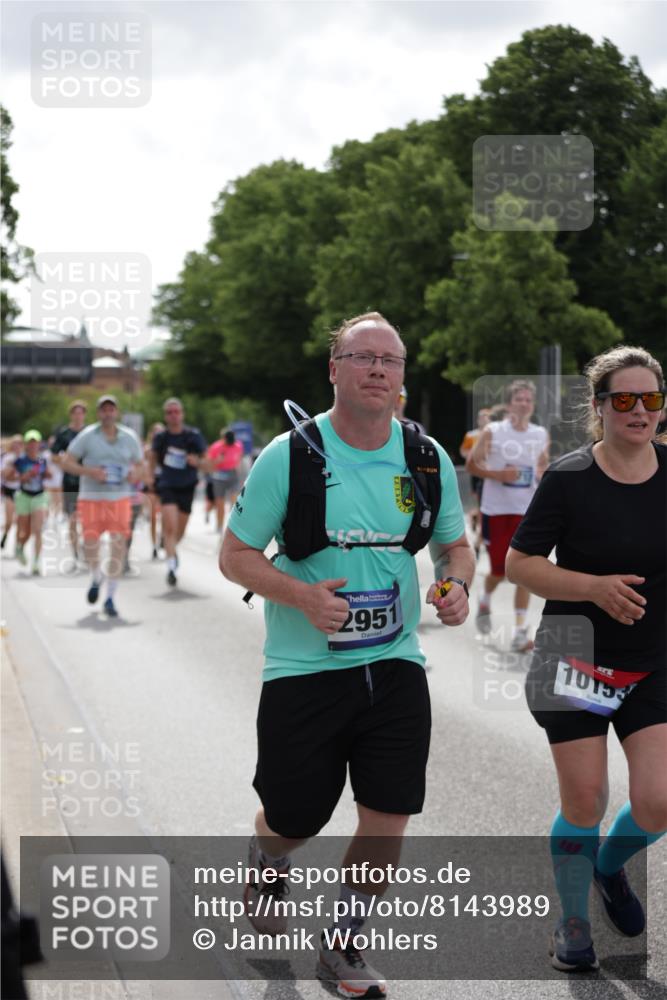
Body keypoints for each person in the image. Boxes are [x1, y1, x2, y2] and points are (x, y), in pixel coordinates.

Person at [220, 311, 474, 999]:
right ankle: (268, 856)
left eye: (389, 361)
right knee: (293, 819)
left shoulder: (424, 457)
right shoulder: (289, 456)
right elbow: (235, 556)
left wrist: (454, 584)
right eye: (361, 357)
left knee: (389, 810)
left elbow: (456, 544)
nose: (376, 370)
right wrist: (300, 595)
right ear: (334, 370)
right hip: (304, 671)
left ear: (400, 377)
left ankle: (344, 946)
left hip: (395, 664)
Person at [506, 345, 666, 973]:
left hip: (650, 661)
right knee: (586, 799)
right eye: (623, 399)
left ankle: (607, 867)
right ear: (600, 407)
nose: (639, 410)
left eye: (650, 399)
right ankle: (572, 922)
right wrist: (594, 586)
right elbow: (521, 565)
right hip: (573, 658)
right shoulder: (570, 477)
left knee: (657, 802)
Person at [466, 380, 549, 651]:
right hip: (496, 510)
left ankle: (520, 633)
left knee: (524, 572)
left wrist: (541, 475)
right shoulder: (493, 431)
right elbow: (471, 464)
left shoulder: (539, 434)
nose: (524, 404)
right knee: (500, 571)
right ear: (509, 404)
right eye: (519, 399)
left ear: (532, 405)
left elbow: (542, 464)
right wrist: (498, 475)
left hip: (527, 511)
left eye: (528, 400)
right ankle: (485, 597)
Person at [63, 395, 143, 618]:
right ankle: (97, 576)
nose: (107, 413)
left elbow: (141, 467)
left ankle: (110, 598)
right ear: (99, 413)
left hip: (119, 499)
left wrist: (134, 474)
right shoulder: (87, 436)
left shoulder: (129, 437)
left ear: (116, 412)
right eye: (103, 410)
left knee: (118, 547)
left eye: (111, 410)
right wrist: (91, 472)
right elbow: (67, 462)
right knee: (90, 545)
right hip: (91, 497)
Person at [150, 399, 207, 587]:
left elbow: (207, 463)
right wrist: (151, 479)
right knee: (170, 528)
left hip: (187, 486)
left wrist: (196, 462)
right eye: (169, 412)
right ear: (165, 416)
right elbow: (153, 459)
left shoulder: (193, 436)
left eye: (176, 411)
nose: (173, 415)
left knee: (179, 532)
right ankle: (171, 567)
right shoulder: (161, 438)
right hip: (167, 486)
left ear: (182, 414)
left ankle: (171, 548)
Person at [51, 400, 87, 564]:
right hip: (71, 481)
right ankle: (75, 551)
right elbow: (52, 455)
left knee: (88, 518)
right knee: (72, 518)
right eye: (75, 412)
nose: (78, 415)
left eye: (81, 412)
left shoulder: (90, 433)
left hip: (89, 481)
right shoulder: (64, 434)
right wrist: (64, 461)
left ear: (84, 415)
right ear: (71, 415)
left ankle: (87, 545)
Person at [13, 430, 54, 575]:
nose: (33, 445)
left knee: (38, 530)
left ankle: (36, 562)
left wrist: (46, 474)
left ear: (38, 444)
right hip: (24, 495)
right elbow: (12, 477)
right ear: (26, 444)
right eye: (30, 442)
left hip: (40, 496)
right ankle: (20, 546)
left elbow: (49, 474)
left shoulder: (42, 460)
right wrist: (26, 476)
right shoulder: (20, 460)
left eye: (35, 442)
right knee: (25, 530)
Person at [459, 407, 491, 559]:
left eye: (487, 418)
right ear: (478, 420)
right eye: (482, 418)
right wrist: (474, 455)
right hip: (478, 475)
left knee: (483, 510)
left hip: (492, 476)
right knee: (482, 509)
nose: (484, 420)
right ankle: (479, 538)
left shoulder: (494, 435)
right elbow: (463, 452)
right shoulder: (472, 435)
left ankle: (475, 520)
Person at [206, 429, 244, 533]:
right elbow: (208, 464)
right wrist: (217, 461)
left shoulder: (238, 446)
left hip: (233, 474)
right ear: (223, 438)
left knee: (235, 500)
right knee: (220, 503)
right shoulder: (216, 447)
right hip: (219, 475)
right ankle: (219, 525)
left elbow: (239, 459)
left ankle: (233, 526)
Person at [143, 421, 164, 559]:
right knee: (152, 517)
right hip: (152, 484)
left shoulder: (168, 447)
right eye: (155, 432)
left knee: (165, 515)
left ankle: (162, 536)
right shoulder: (147, 449)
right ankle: (154, 546)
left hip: (166, 483)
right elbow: (144, 467)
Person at [1, 435, 23, 551]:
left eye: (19, 444)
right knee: (9, 521)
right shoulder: (7, 458)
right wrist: (12, 467)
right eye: (15, 444)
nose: (17, 446)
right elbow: (4, 475)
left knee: (20, 521)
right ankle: (5, 534)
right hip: (9, 491)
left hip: (22, 492)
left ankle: (17, 546)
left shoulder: (26, 458)